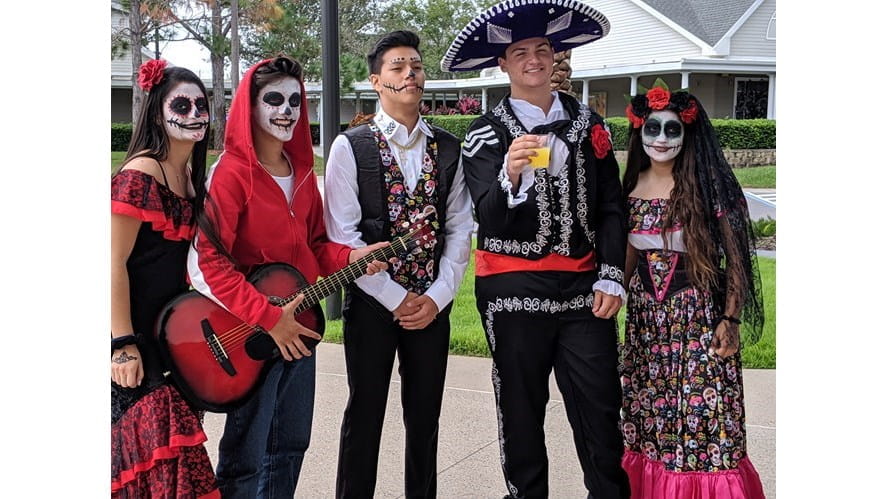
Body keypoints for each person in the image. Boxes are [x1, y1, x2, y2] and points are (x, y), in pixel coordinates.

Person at [442, 1, 631, 497]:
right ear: (502, 64)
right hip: (513, 286)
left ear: (555, 57)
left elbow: (612, 206)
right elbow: (488, 215)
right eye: (520, 51)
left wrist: (612, 272)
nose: (533, 59)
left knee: (602, 406)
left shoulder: (591, 127)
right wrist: (510, 173)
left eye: (542, 49)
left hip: (583, 287)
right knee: (522, 411)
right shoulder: (484, 135)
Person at [186, 55, 388, 497]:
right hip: (251, 332)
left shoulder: (301, 174)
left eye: (295, 101)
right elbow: (206, 261)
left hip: (300, 329)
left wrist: (354, 256)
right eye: (273, 99)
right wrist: (266, 316)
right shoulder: (232, 175)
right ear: (250, 106)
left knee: (291, 445)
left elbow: (315, 247)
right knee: (246, 455)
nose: (286, 110)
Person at [323, 30, 474, 498]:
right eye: (398, 66)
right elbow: (341, 235)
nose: (411, 73)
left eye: (417, 65)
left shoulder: (450, 150)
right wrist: (394, 296)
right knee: (364, 415)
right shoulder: (350, 148)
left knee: (424, 418)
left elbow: (459, 230)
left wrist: (435, 298)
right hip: (371, 307)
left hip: (432, 307)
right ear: (376, 81)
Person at [619, 79, 766, 498]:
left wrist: (731, 318)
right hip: (647, 329)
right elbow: (628, 261)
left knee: (706, 421)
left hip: (698, 323)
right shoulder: (629, 188)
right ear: (638, 131)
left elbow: (737, 259)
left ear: (687, 133)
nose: (661, 139)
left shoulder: (708, 187)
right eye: (652, 128)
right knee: (653, 420)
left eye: (671, 129)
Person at [111, 59, 219, 497]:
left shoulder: (191, 178)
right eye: (182, 104)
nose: (194, 113)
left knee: (175, 472)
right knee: (159, 462)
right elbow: (108, 263)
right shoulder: (139, 174)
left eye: (201, 104)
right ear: (158, 111)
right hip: (137, 343)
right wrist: (121, 347)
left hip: (178, 342)